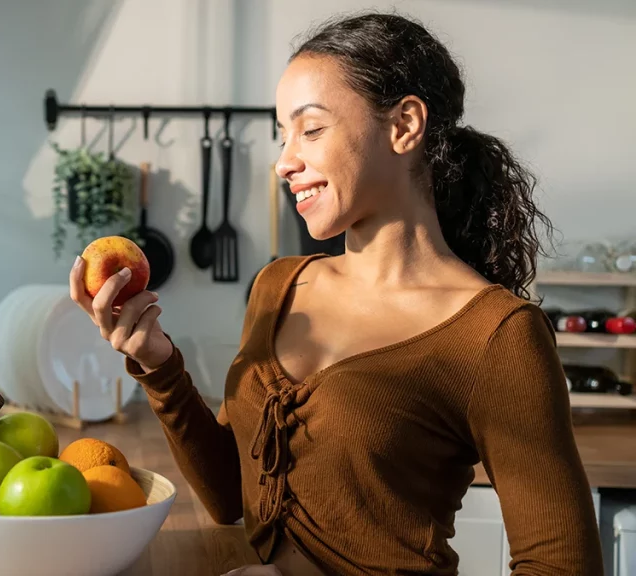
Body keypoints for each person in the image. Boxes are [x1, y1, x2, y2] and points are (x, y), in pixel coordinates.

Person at [69, 11, 602, 576]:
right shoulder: (278, 286)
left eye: (312, 129)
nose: (284, 162)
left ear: (404, 126)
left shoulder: (496, 334)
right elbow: (232, 494)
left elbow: (562, 566)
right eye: (282, 133)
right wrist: (157, 363)